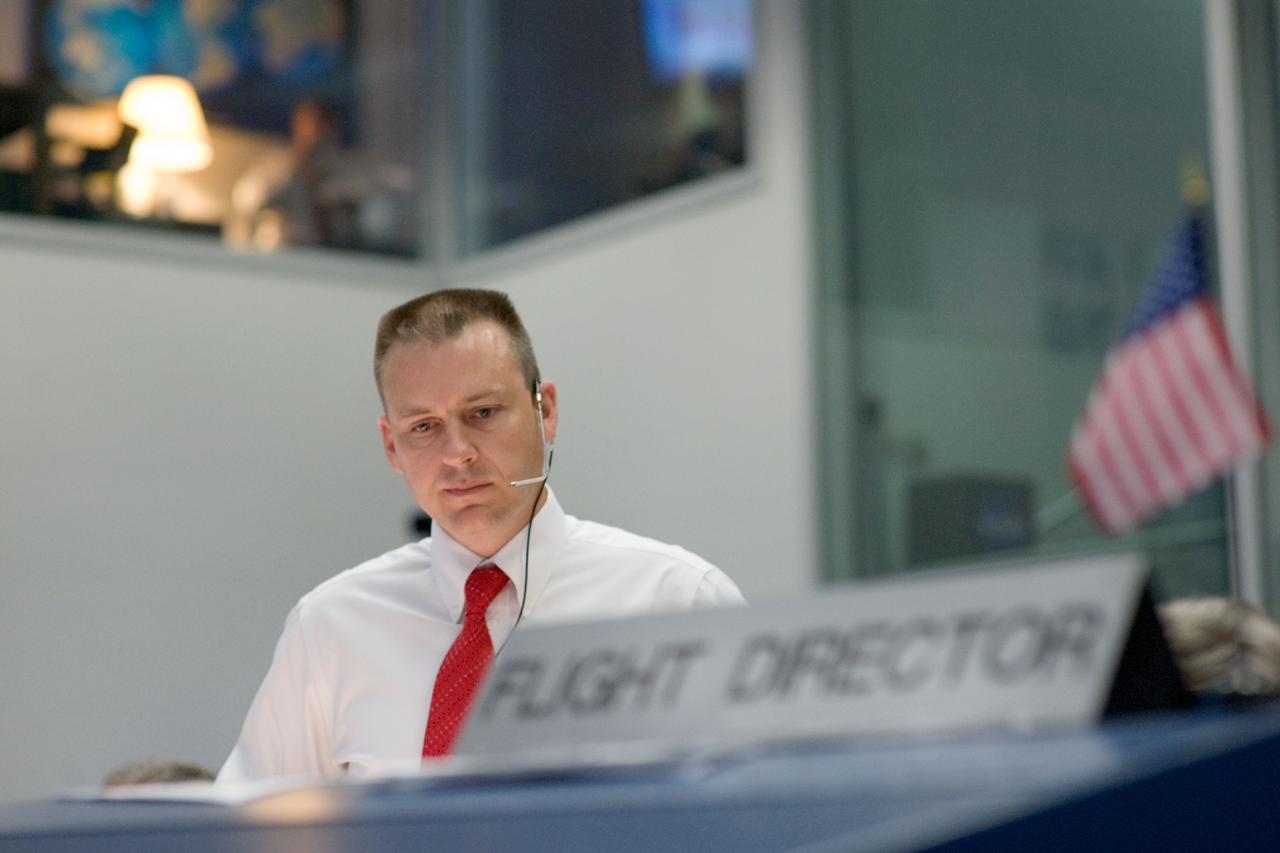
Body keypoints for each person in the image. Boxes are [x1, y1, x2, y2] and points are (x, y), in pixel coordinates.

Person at [218, 288, 744, 782]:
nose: (458, 453)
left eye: (484, 413)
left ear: (547, 411)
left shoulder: (677, 603)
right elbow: (245, 833)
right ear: (391, 446)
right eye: (423, 426)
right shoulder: (331, 627)